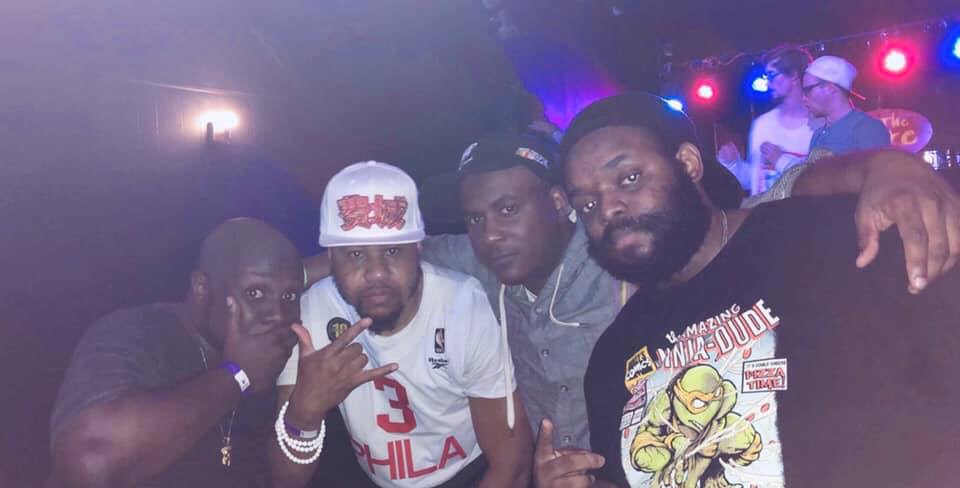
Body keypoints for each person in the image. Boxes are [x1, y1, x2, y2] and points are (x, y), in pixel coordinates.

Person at [305, 123, 960, 453]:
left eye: (507, 210)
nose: (490, 233)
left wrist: (883, 165)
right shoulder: (480, 262)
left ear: (558, 205)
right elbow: (394, 253)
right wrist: (289, 281)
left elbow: (766, 203)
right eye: (475, 218)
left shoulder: (622, 250)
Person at [535, 92, 960, 487]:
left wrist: (884, 166)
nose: (608, 209)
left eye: (628, 178)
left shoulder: (829, 237)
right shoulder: (611, 360)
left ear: (688, 164)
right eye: (586, 204)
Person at [270, 161, 532, 488]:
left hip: (468, 475)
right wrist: (303, 414)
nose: (377, 273)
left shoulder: (463, 306)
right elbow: (285, 480)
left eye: (393, 251)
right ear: (331, 258)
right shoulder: (312, 312)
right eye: (356, 254)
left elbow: (511, 465)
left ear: (418, 249)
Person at [49, 219, 304, 487]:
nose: (278, 315)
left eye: (289, 296)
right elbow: (91, 458)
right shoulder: (139, 332)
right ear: (201, 287)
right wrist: (237, 376)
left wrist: (308, 409)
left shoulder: (280, 359)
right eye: (255, 292)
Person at [718, 46, 821, 195]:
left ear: (793, 75)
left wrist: (780, 160)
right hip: (762, 209)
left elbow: (821, 182)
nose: (768, 84)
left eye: (772, 75)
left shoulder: (819, 125)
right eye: (766, 77)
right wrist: (733, 164)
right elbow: (753, 180)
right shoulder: (762, 124)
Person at [803, 55, 891, 161]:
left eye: (807, 90)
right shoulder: (817, 135)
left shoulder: (867, 128)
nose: (804, 98)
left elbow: (879, 170)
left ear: (830, 88)